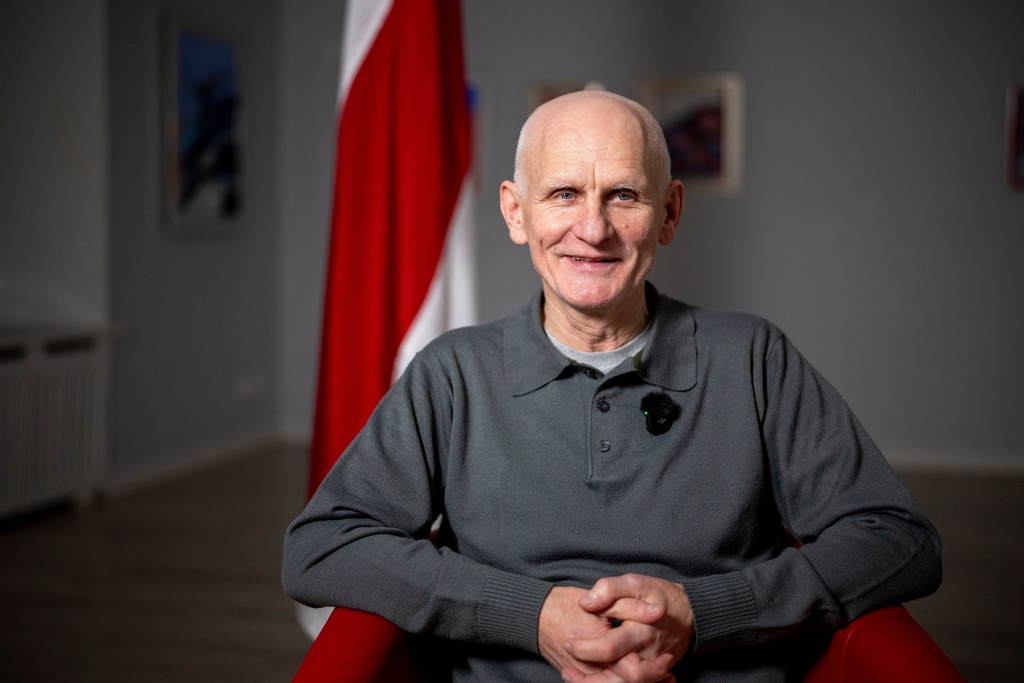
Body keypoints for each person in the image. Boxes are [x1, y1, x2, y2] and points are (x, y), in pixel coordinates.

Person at [282, 90, 941, 682]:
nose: (592, 230)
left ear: (670, 211)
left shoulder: (752, 357)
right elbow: (321, 547)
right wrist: (534, 615)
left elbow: (899, 539)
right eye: (563, 193)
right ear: (516, 212)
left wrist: (700, 613)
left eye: (623, 195)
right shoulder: (452, 373)